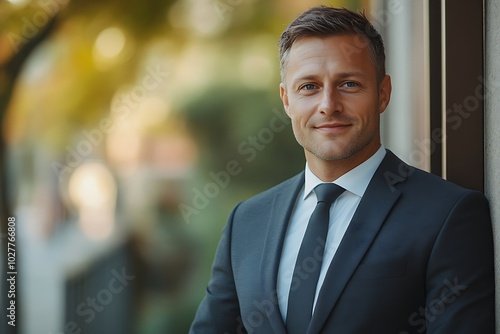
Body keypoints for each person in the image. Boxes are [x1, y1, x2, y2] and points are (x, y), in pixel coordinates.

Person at [189, 6, 495, 334]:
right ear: (286, 100)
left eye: (348, 84)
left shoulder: (448, 215)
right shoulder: (246, 223)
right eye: (309, 87)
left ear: (383, 93)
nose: (328, 104)